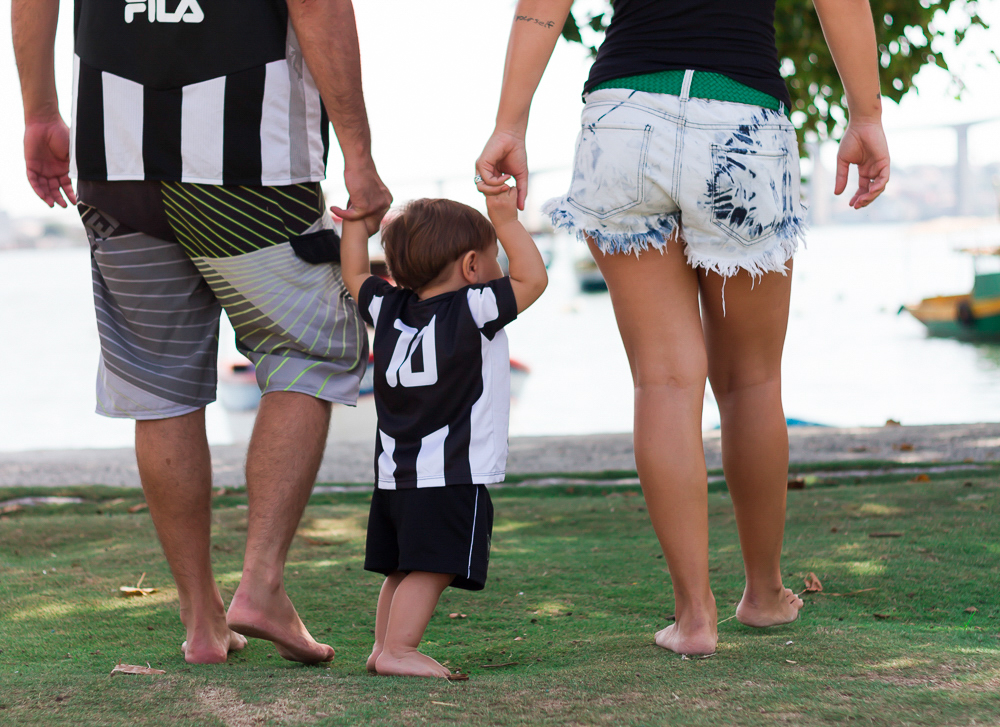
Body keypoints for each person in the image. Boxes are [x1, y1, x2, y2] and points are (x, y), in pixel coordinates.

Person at [476, 0, 890, 655]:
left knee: (665, 381)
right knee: (751, 380)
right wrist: (864, 114)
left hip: (624, 114)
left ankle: (694, 618)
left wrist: (509, 123)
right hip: (741, 117)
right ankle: (763, 593)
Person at [13, 0, 391, 664]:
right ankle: (261, 584)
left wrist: (41, 111)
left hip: (116, 154)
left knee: (156, 381)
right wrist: (358, 154)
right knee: (307, 351)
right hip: (253, 160)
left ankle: (201, 620)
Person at [338, 189, 547, 678]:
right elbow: (533, 277)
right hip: (450, 472)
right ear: (472, 265)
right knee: (433, 566)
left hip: (394, 477)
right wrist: (506, 218)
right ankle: (399, 650)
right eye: (494, 254)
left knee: (403, 567)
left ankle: (382, 647)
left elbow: (354, 274)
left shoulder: (388, 309)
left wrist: (354, 223)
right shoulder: (474, 308)